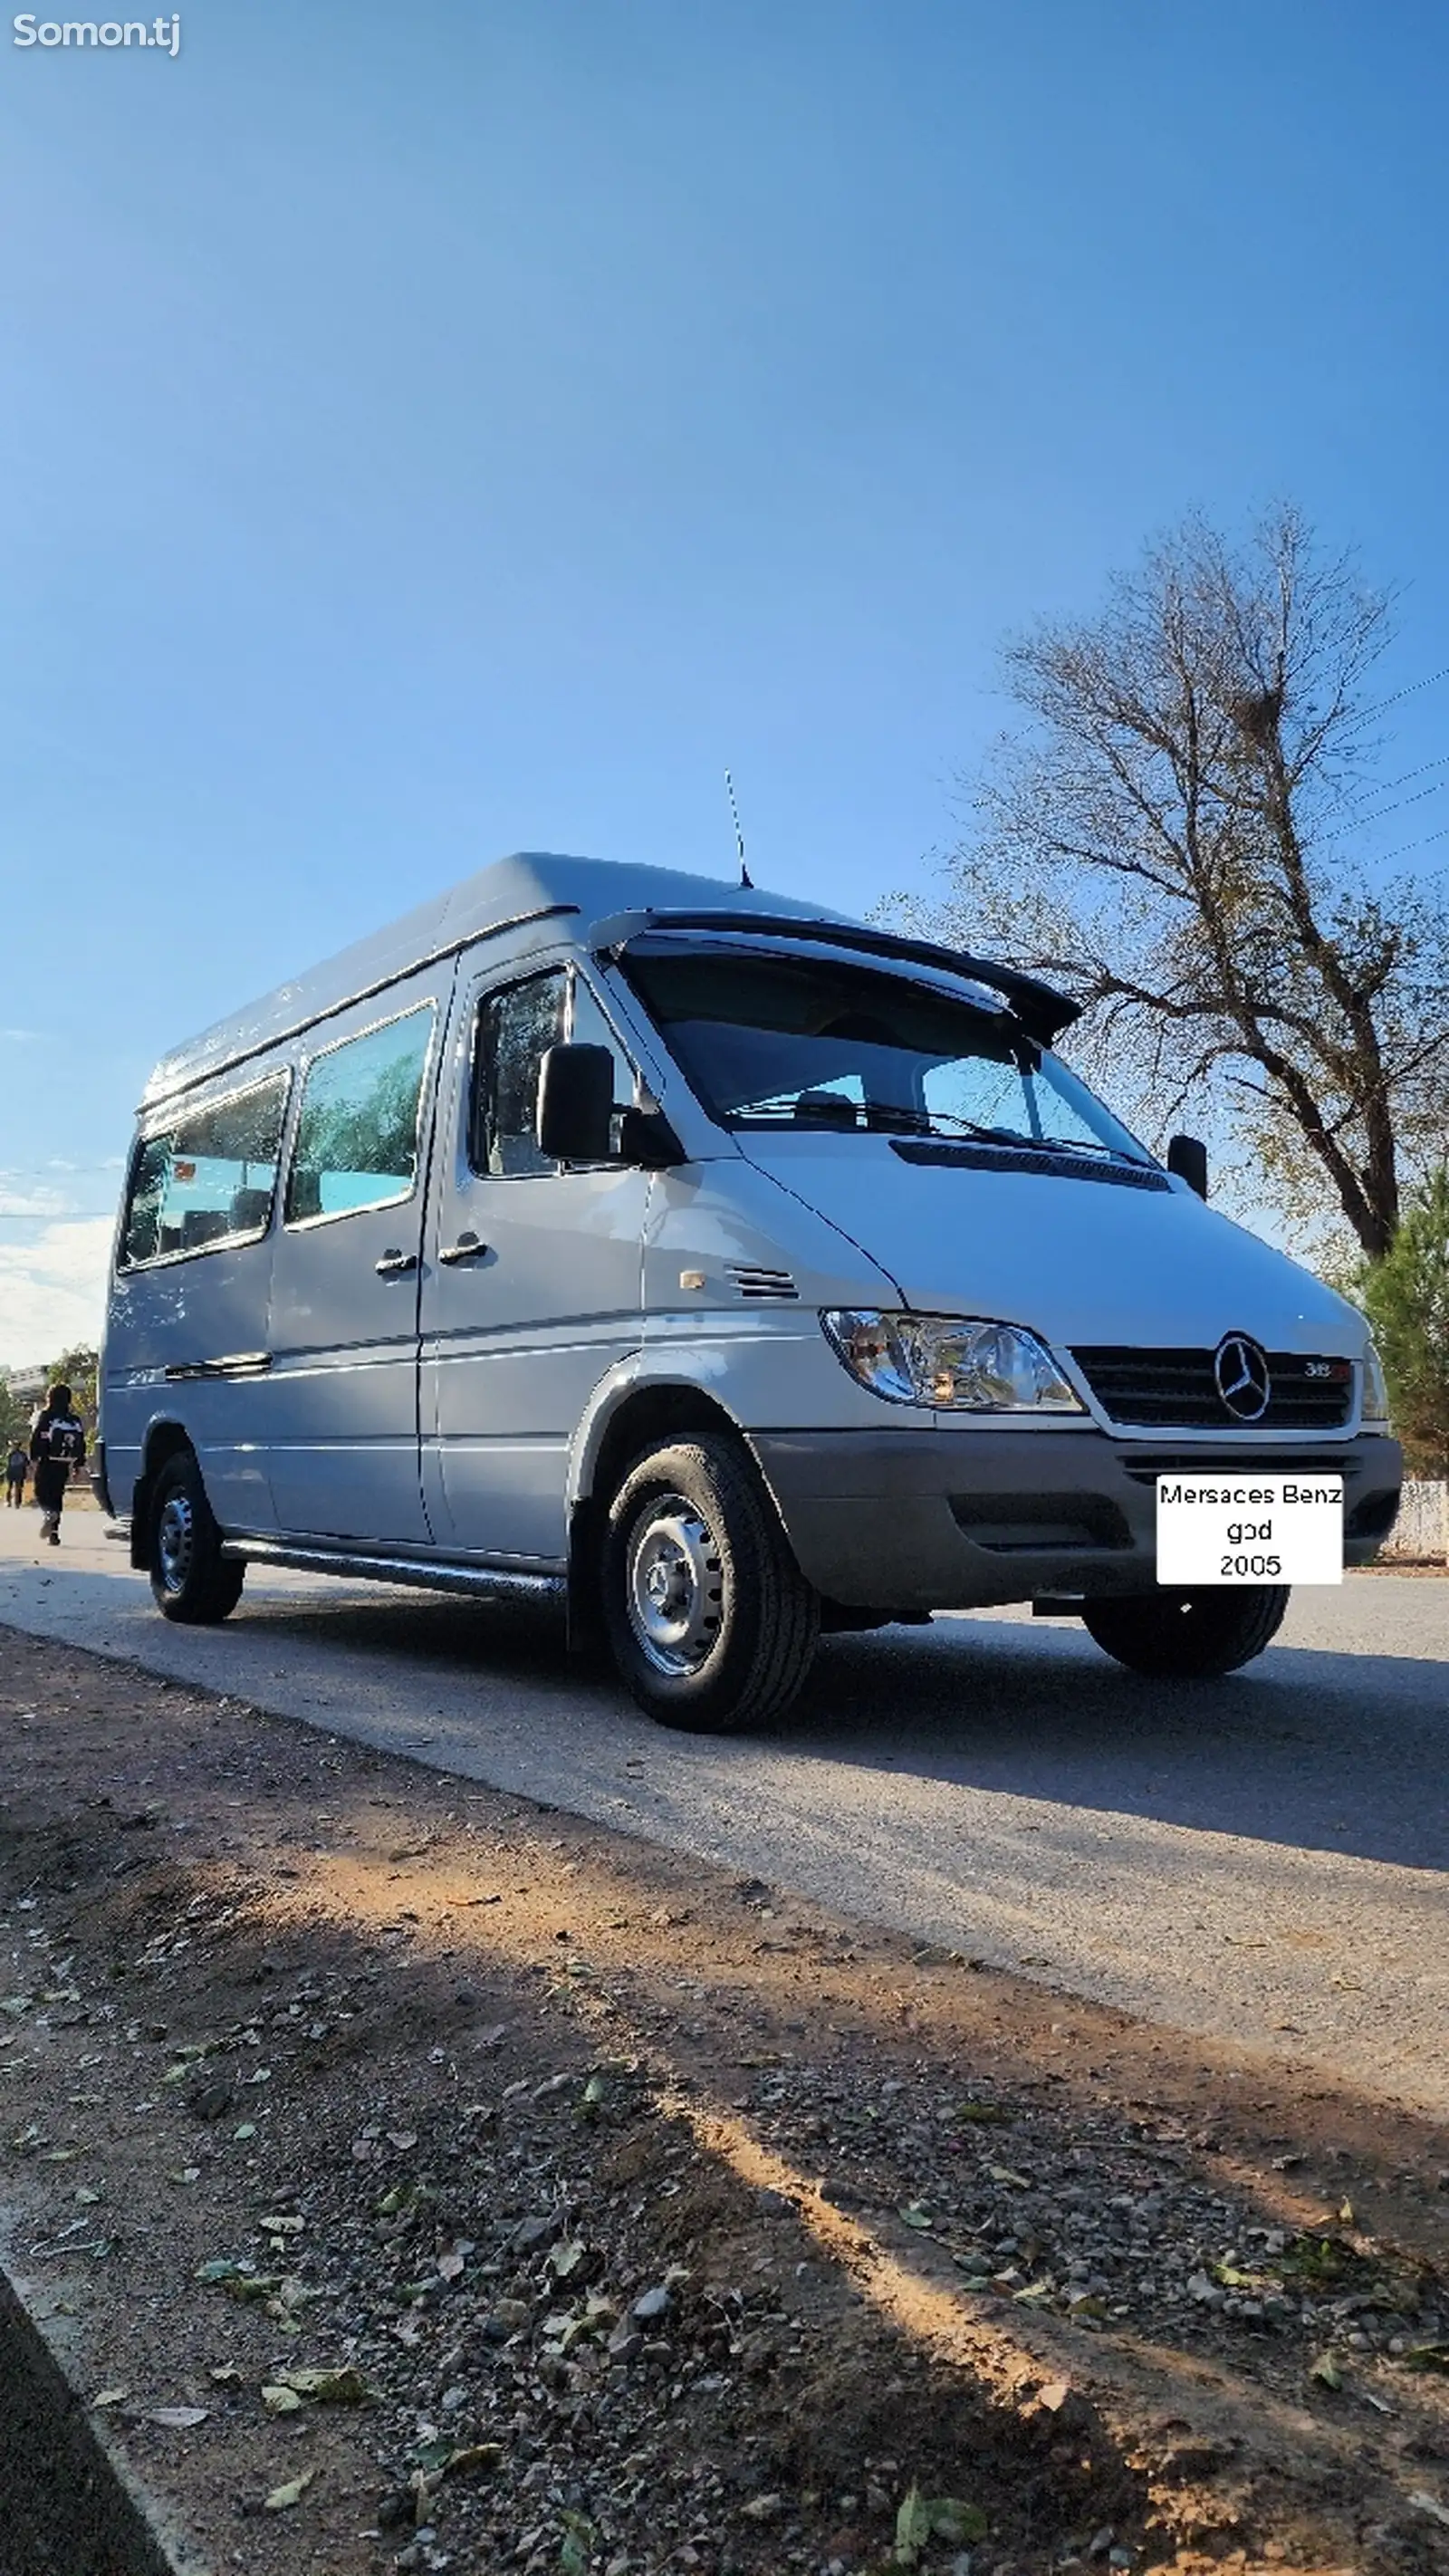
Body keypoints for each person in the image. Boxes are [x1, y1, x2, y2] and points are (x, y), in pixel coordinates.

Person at [29, 1383, 86, 1547]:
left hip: (47, 1461)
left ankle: (48, 1513)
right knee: (57, 1495)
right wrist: (78, 1465)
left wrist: (33, 1459)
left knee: (41, 1492)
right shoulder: (73, 1419)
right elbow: (80, 1444)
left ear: (50, 1397)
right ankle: (54, 1534)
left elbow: (38, 1437)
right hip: (64, 1463)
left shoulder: (46, 1416)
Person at [5, 1442, 27, 1507]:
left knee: (12, 1487)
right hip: (16, 1472)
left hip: (13, 1472)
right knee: (15, 1487)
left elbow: (7, 1462)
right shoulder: (22, 1454)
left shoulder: (10, 1453)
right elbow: (26, 1463)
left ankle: (12, 1502)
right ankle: (15, 1503)